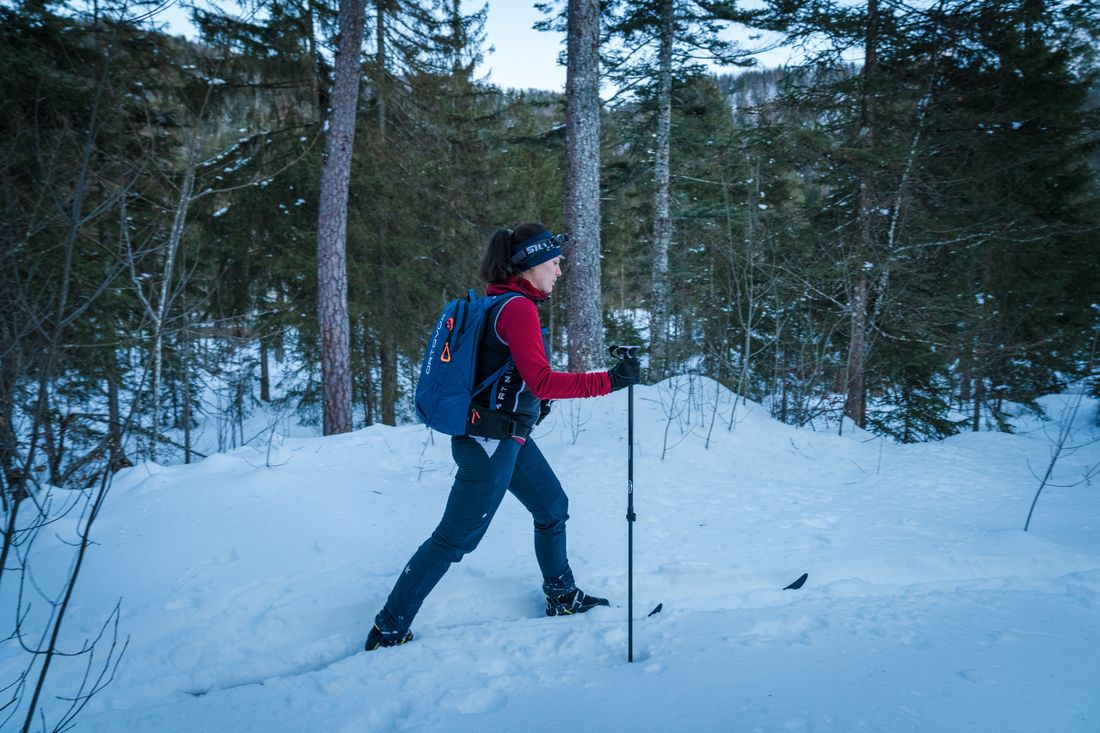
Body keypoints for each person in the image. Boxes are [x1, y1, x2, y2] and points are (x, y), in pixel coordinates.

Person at [366, 223, 641, 650]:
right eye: (554, 264)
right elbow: (543, 380)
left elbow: (510, 377)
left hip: (508, 437)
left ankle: (561, 596)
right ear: (530, 266)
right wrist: (609, 381)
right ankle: (388, 627)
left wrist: (530, 403)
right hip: (488, 445)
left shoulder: (501, 303)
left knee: (552, 506)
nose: (559, 273)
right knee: (454, 539)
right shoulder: (517, 309)